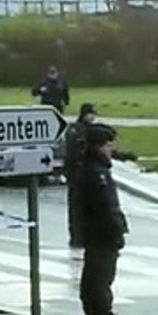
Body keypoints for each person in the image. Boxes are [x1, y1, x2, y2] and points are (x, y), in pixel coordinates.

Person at [76, 123, 131, 315]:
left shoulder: (89, 168)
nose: (111, 149)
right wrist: (117, 230)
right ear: (98, 146)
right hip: (102, 233)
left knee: (93, 276)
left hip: (94, 233)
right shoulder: (96, 173)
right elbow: (106, 206)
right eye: (108, 145)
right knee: (101, 277)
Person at [62, 103, 97, 250]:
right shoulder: (76, 130)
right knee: (76, 209)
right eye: (90, 113)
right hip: (76, 175)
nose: (93, 116)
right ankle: (76, 237)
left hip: (87, 176)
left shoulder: (93, 130)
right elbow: (71, 153)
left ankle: (87, 236)